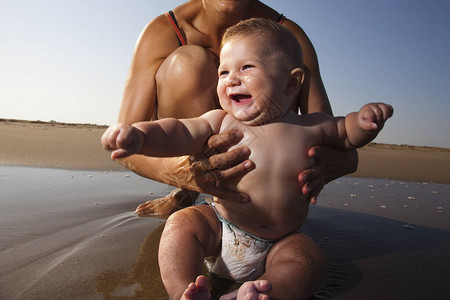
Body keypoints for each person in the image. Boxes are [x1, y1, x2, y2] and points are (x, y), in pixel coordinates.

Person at [102, 18, 393, 299]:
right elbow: (176, 131)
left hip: (279, 241)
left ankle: (258, 292)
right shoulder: (220, 121)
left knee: (307, 260)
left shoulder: (311, 127)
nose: (231, 80)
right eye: (224, 72)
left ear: (292, 84)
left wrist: (364, 122)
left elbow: (345, 133)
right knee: (181, 226)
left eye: (246, 68)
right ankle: (184, 292)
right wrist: (140, 136)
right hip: (220, 227)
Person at [115, 0, 358, 217]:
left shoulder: (287, 35)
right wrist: (181, 171)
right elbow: (123, 144)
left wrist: (329, 164)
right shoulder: (164, 31)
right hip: (193, 138)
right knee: (189, 63)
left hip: (266, 159)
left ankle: (257, 199)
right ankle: (188, 192)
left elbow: (335, 140)